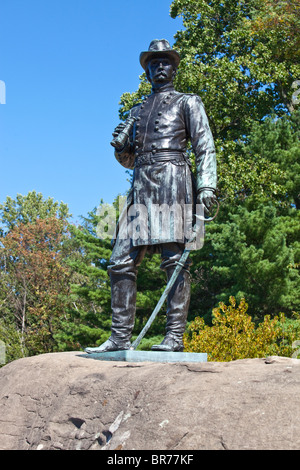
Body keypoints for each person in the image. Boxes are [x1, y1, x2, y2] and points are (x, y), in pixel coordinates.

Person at [86, 39, 217, 353]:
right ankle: (119, 337)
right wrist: (121, 149)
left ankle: (174, 337)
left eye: (165, 62)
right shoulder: (138, 110)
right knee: (119, 261)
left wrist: (207, 187)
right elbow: (131, 159)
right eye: (153, 63)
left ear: (174, 68)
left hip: (174, 182)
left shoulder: (188, 102)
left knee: (174, 261)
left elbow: (205, 146)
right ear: (146, 71)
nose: (159, 67)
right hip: (141, 185)